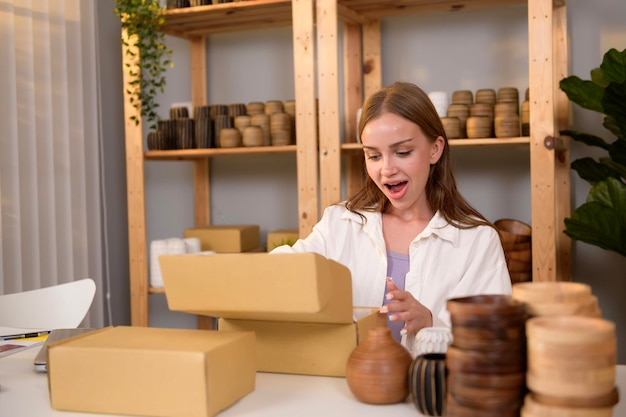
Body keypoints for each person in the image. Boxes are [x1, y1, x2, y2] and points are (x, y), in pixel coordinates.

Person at [271, 81, 511, 347]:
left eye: (402, 152)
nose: (387, 169)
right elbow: (283, 271)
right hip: (349, 386)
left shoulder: (477, 241)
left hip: (433, 387)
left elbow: (494, 339)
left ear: (435, 149)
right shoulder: (340, 223)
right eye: (373, 156)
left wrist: (431, 322)